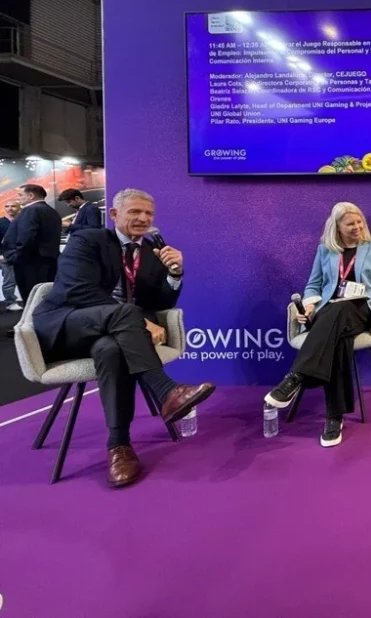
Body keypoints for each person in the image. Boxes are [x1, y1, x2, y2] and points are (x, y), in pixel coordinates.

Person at [32, 188, 216, 488]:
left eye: (148, 213)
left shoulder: (152, 252)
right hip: (69, 325)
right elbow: (78, 290)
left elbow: (160, 303)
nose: (143, 218)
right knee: (128, 315)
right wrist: (140, 321)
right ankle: (167, 391)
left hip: (116, 336)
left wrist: (175, 274)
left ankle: (119, 446)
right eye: (135, 212)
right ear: (114, 214)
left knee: (111, 350)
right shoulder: (87, 240)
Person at [265, 202, 371, 448]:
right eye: (350, 224)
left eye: (359, 222)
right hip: (329, 312)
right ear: (337, 227)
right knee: (338, 339)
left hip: (361, 309)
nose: (357, 227)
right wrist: (310, 305)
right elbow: (313, 285)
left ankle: (296, 377)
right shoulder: (325, 251)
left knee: (340, 310)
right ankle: (333, 417)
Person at [1, 184, 62, 312]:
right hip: (49, 262)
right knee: (44, 298)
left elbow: (26, 237)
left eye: (21, 195)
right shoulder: (53, 212)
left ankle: (31, 323)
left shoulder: (30, 210)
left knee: (31, 298)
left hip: (30, 263)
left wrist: (15, 257)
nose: (19, 198)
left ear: (31, 195)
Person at [0, 199, 22, 311]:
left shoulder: (23, 221)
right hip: (5, 257)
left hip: (21, 255)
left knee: (23, 280)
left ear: (19, 208)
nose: (10, 208)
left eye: (13, 206)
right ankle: (10, 302)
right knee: (9, 281)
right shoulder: (1, 223)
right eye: (7, 206)